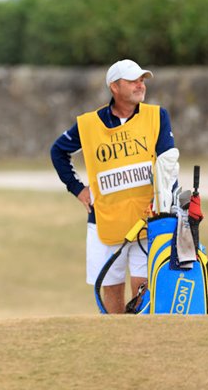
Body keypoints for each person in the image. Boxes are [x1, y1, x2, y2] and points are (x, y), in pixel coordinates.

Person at [50, 59, 176, 313]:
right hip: (104, 220)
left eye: (142, 80)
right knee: (112, 288)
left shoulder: (157, 116)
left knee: (144, 289)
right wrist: (78, 189)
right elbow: (58, 151)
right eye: (133, 81)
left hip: (147, 221)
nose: (140, 85)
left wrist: (170, 205)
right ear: (114, 87)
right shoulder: (88, 124)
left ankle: (141, 343)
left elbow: (168, 166)